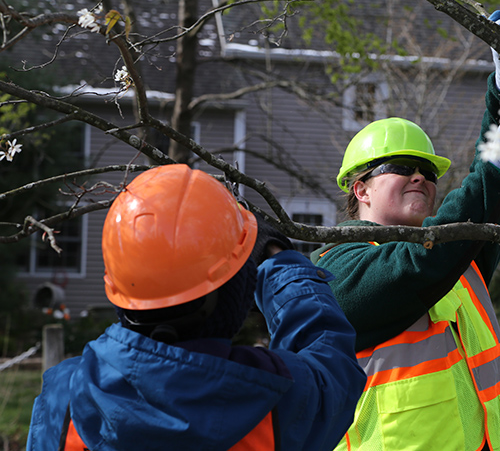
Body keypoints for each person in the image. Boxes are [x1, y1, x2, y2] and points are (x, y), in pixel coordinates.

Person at [27, 164, 366, 451]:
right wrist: (280, 260)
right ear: (233, 293)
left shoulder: (65, 398)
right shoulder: (272, 395)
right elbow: (330, 359)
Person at [311, 10, 500, 450]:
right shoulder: (335, 271)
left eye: (428, 172)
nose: (421, 178)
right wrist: (497, 159)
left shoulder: (454, 258)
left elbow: (492, 200)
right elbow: (419, 263)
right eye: (402, 168)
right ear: (361, 189)